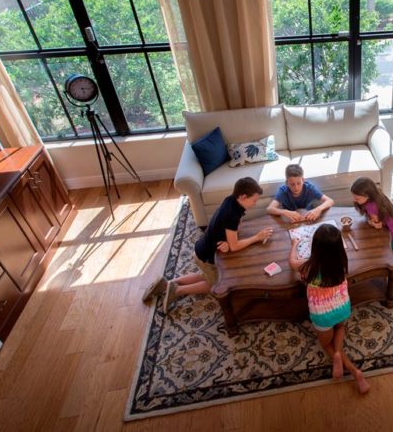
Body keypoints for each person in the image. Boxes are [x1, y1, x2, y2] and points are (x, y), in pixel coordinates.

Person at [142, 177, 273, 313]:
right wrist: (257, 237)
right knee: (215, 283)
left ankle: (164, 285)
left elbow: (235, 229)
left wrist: (229, 241)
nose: (255, 204)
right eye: (254, 200)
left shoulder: (231, 200)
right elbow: (234, 246)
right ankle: (177, 290)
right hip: (208, 256)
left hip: (202, 247)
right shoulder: (232, 214)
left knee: (204, 276)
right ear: (243, 197)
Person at [289, 223, 370, 394]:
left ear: (315, 248)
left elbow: (292, 263)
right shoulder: (342, 260)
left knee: (326, 344)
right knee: (340, 326)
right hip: (342, 307)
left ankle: (349, 367)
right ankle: (342, 356)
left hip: (322, 315)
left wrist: (295, 244)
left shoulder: (309, 266)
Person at [267, 164, 334, 223]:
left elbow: (330, 201)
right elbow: (269, 209)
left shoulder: (309, 188)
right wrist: (284, 212)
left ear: (303, 180)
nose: (296, 187)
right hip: (291, 221)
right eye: (292, 184)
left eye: (299, 183)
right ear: (287, 183)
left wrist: (318, 209)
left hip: (308, 218)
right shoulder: (283, 191)